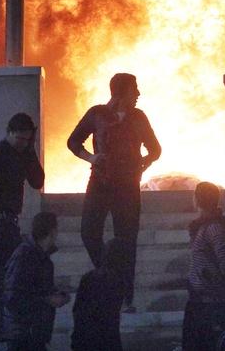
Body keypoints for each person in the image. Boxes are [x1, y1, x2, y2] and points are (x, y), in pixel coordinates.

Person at [67, 72, 161, 311]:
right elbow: (73, 141)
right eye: (134, 89)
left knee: (127, 241)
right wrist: (91, 157)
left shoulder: (139, 117)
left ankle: (125, 298)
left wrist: (144, 162)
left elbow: (155, 149)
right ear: (121, 92)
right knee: (89, 232)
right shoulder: (97, 114)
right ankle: (107, 275)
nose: (138, 94)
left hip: (128, 187)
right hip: (100, 182)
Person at [0, 113, 46, 337]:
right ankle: (1, 327)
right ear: (9, 132)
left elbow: (37, 181)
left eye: (27, 139)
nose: (22, 143)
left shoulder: (25, 154)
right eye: (20, 139)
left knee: (13, 275)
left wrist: (30, 152)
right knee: (2, 275)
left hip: (12, 221)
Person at [2, 211, 70, 350]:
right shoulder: (25, 256)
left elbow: (36, 288)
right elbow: (13, 297)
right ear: (52, 231)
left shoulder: (40, 256)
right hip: (24, 334)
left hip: (33, 332)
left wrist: (57, 295)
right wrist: (47, 299)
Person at [182, 181, 225, 351]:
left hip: (211, 305)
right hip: (199, 302)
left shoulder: (215, 229)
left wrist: (210, 281)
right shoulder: (204, 227)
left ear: (198, 199)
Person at [71, 238, 133, 351]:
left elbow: (77, 310)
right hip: (105, 340)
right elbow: (110, 316)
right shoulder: (118, 281)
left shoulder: (88, 277)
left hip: (82, 337)